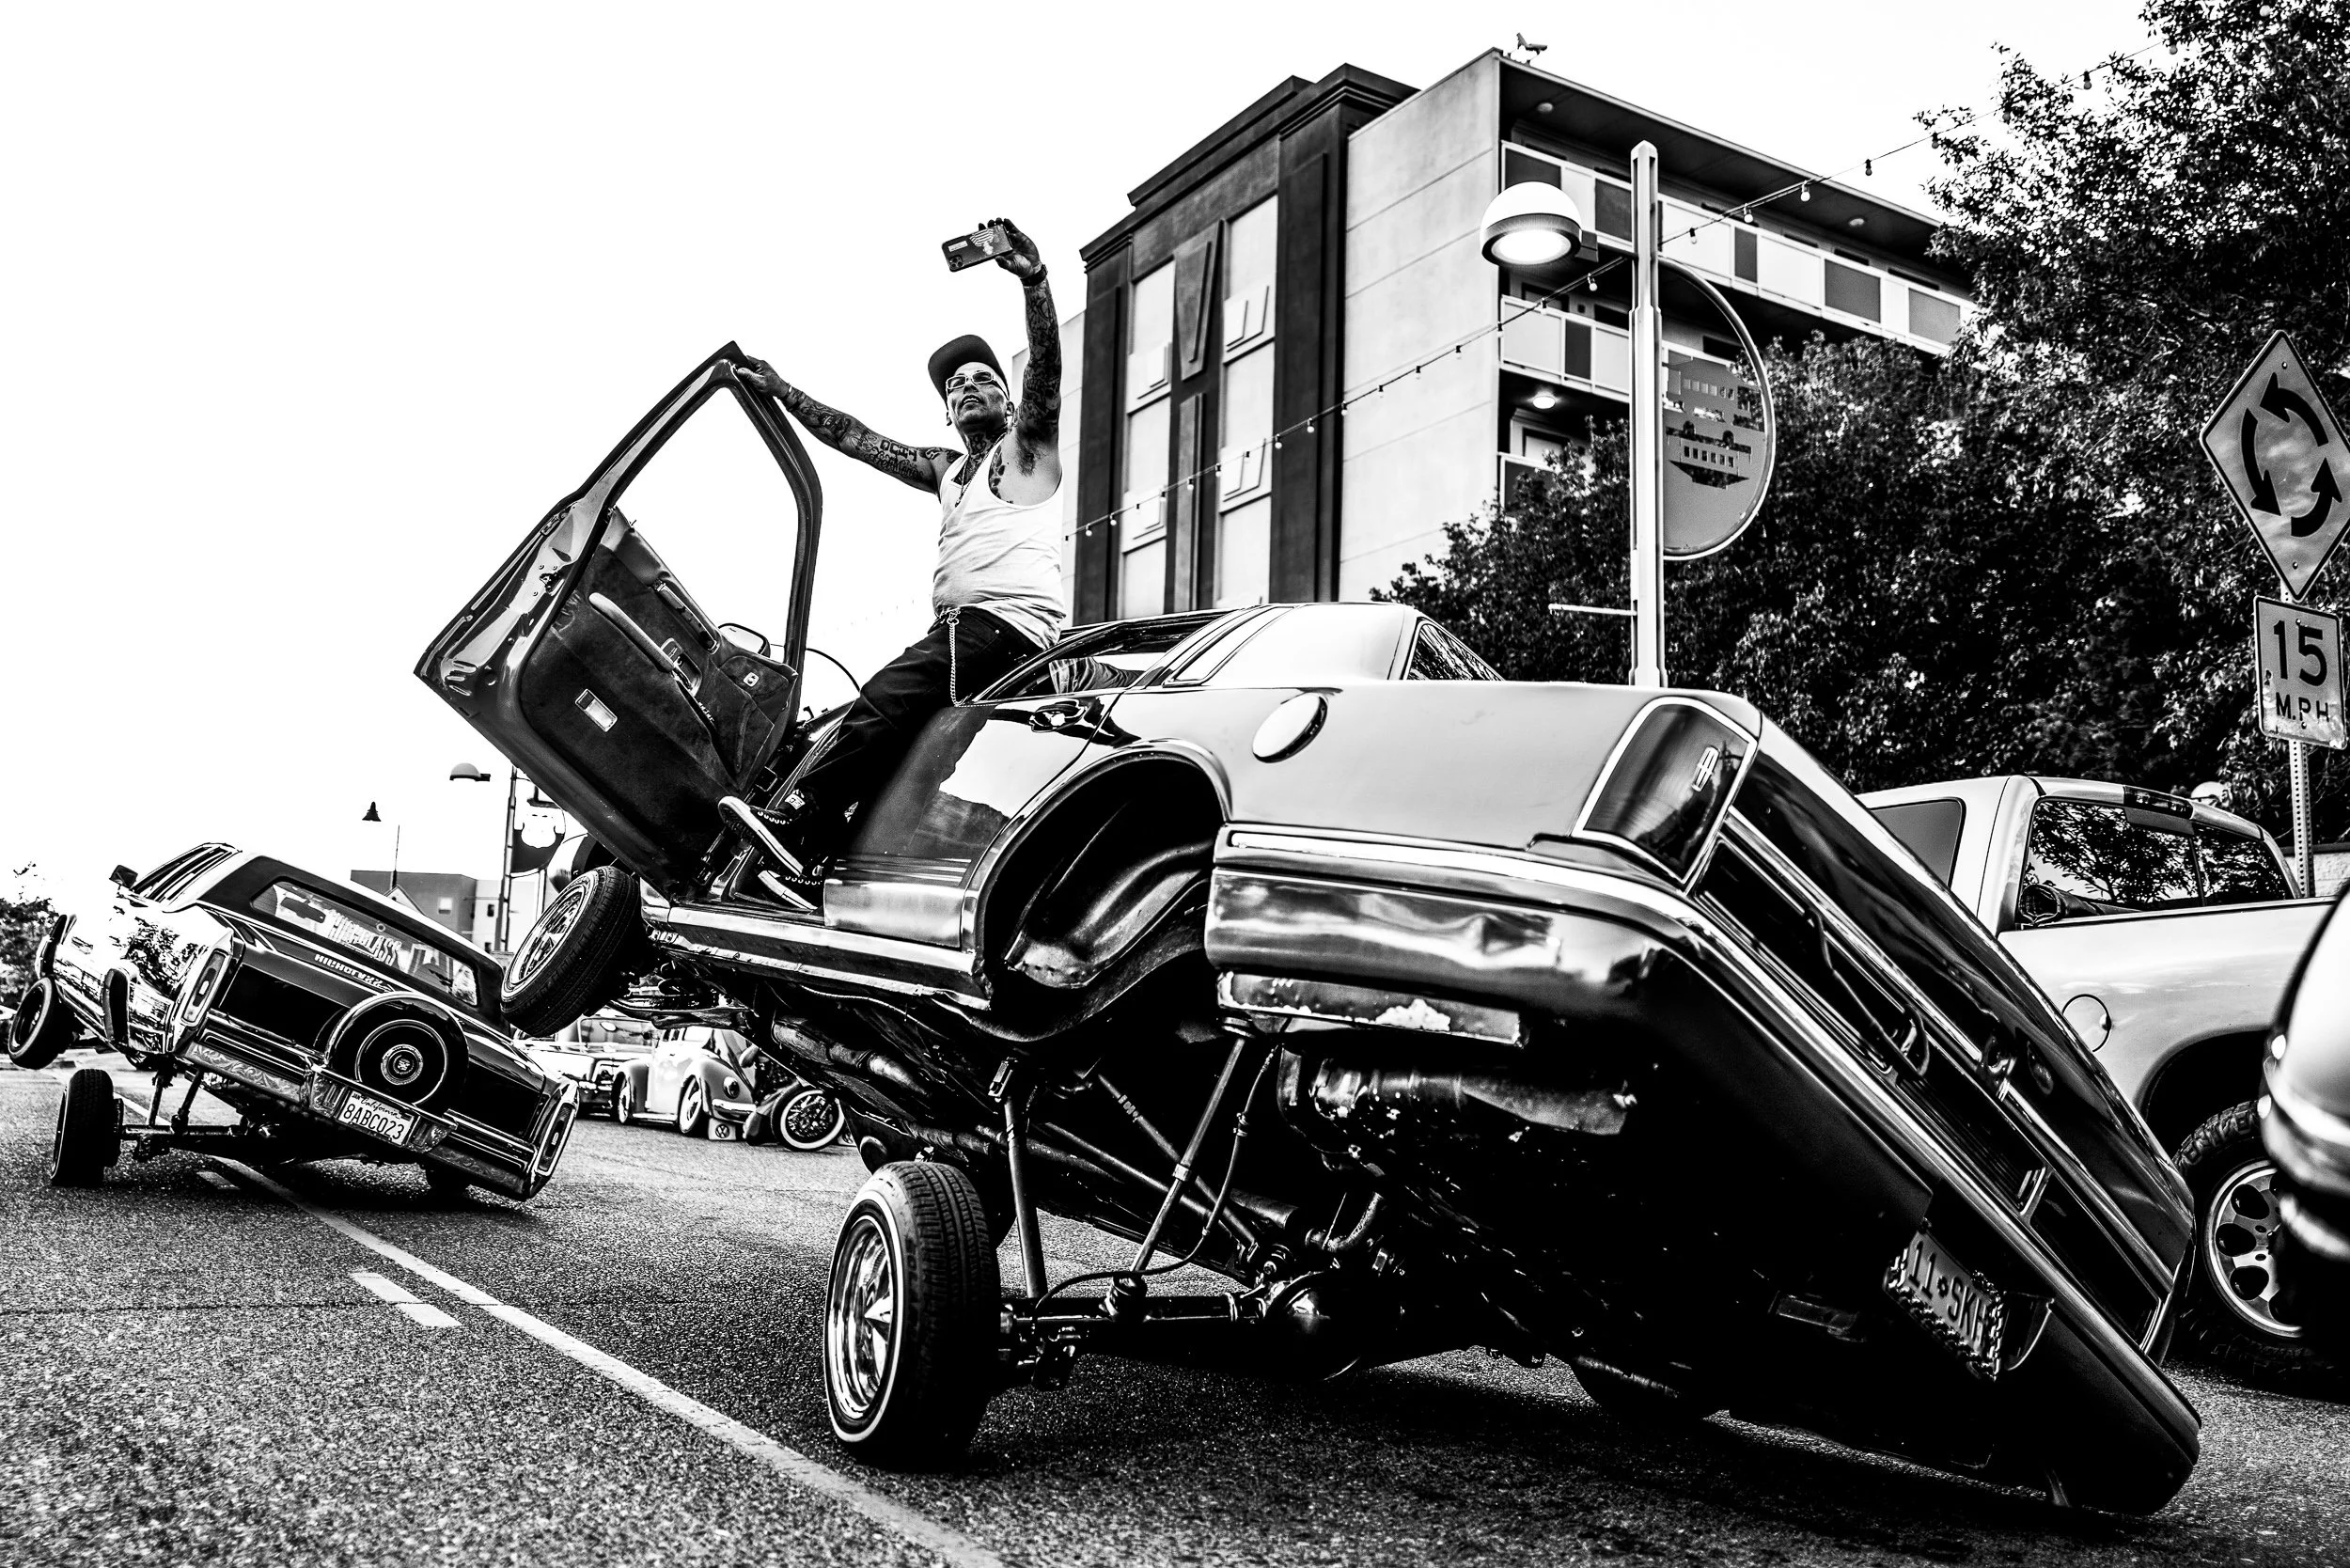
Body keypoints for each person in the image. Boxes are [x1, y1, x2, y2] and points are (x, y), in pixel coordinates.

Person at [736, 217, 1062, 907]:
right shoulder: (947, 471)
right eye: (956, 388)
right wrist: (782, 390)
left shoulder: (1024, 453)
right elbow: (855, 437)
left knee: (884, 699)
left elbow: (1047, 374)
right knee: (912, 749)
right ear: (947, 414)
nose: (969, 388)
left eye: (983, 379)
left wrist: (1033, 280)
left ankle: (799, 818)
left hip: (1004, 628)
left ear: (1007, 400)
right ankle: (832, 862)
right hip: (967, 633)